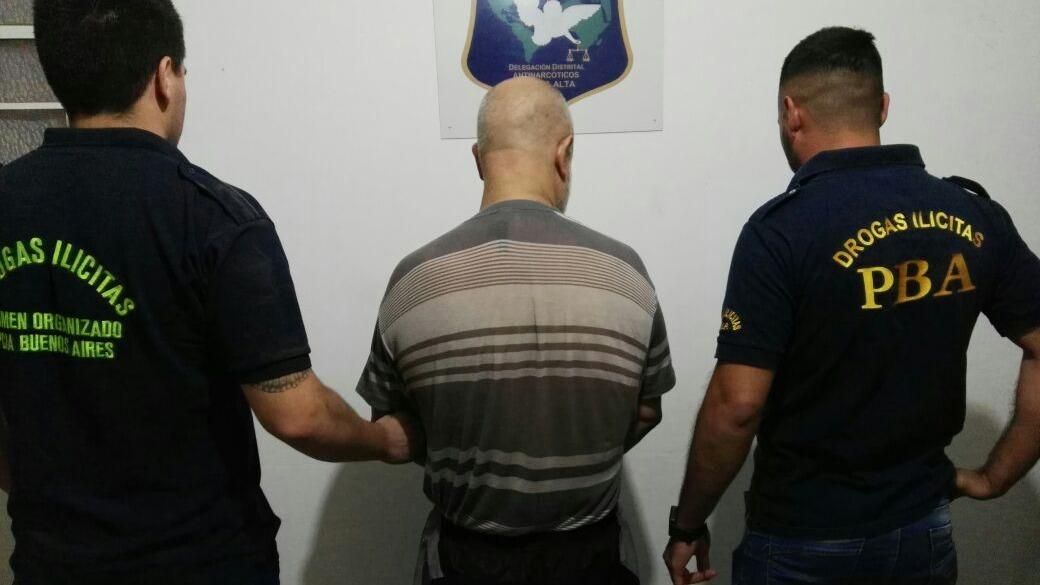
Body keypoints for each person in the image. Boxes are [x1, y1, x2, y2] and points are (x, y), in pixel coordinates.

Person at [0, 1, 419, 583]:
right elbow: (298, 415)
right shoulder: (213, 217)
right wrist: (383, 439)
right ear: (164, 77)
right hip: (201, 563)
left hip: (52, 564)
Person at [663, 26, 1040, 585]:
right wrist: (994, 478)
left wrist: (688, 522)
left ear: (791, 113)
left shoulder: (781, 231)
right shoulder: (972, 216)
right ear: (882, 107)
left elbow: (736, 405)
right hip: (922, 531)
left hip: (801, 540)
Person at [355, 77, 676, 585]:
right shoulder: (626, 274)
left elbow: (394, 425)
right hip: (591, 559)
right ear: (564, 154)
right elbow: (646, 410)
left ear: (478, 159)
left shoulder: (414, 280)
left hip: (465, 561)